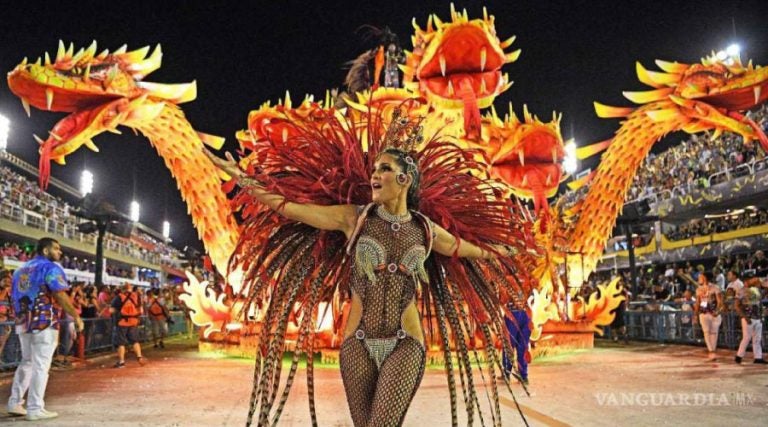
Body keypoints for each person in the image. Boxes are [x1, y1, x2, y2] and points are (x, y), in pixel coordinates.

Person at [205, 107, 527, 427]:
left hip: (406, 342)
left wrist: (504, 250)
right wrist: (242, 178)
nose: (374, 175)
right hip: (356, 344)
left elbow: (466, 249)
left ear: (404, 179)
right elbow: (291, 208)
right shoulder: (354, 218)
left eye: (384, 169)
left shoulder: (424, 229)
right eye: (374, 168)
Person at [6, 238, 84, 421]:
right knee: (41, 365)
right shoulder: (50, 268)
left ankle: (15, 402)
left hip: (23, 321)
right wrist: (75, 316)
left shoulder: (19, 270)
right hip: (44, 321)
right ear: (46, 250)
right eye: (56, 249)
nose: (60, 252)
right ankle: (35, 407)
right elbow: (59, 294)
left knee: (26, 362)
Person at [110, 282, 145, 368]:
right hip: (133, 321)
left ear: (122, 289)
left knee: (121, 343)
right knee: (135, 341)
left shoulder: (119, 297)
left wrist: (118, 312)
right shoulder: (136, 296)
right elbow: (141, 310)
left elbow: (111, 310)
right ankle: (139, 357)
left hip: (122, 322)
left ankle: (121, 362)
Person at [734, 274, 766, 364]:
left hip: (758, 317)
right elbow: (737, 305)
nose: (755, 280)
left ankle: (758, 357)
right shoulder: (741, 291)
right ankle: (739, 356)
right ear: (747, 280)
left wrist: (761, 316)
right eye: (752, 279)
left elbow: (760, 301)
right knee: (746, 338)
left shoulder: (757, 290)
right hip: (748, 317)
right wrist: (745, 317)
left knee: (757, 339)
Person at [693, 271, 724, 361]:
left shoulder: (715, 288)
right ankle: (711, 351)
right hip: (703, 313)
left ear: (705, 278)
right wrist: (695, 314)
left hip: (714, 313)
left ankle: (712, 350)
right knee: (706, 332)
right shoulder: (699, 289)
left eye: (701, 277)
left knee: (714, 333)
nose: (699, 278)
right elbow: (698, 302)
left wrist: (717, 311)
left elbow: (720, 302)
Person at [0, 269, 14, 361]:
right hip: (1, 321)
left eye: (9, 281)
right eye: (5, 281)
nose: (7, 283)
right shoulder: (4, 291)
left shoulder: (8, 291)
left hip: (5, 321)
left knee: (2, 343)